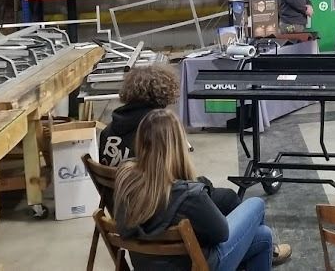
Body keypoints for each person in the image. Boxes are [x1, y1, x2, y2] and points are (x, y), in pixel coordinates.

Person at [114, 109, 292, 271]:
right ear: (177, 147)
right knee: (256, 204)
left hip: (147, 265)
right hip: (195, 265)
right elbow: (221, 234)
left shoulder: (126, 181)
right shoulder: (189, 196)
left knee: (263, 236)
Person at [98, 65, 240, 215]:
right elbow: (174, 180)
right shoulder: (154, 129)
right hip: (151, 206)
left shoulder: (108, 130)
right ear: (162, 93)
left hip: (121, 205)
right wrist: (203, 185)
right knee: (228, 198)